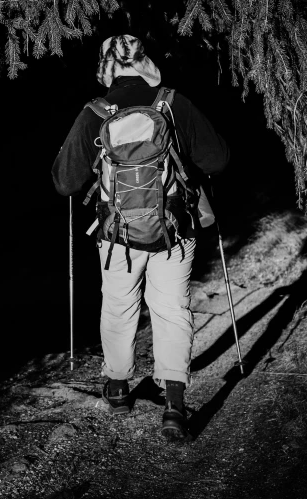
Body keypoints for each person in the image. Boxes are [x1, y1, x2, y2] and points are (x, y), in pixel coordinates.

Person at [51, 34, 230, 440]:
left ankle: (117, 387)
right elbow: (217, 159)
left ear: (106, 68)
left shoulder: (95, 112)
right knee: (171, 310)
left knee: (119, 307)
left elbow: (64, 183)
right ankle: (174, 404)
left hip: (116, 237)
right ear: (145, 61)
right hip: (173, 231)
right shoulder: (171, 103)